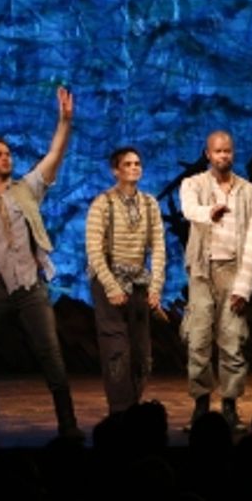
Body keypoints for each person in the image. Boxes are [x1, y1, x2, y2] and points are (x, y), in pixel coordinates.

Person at [0, 84, 80, 440]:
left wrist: (65, 121)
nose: (6, 158)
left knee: (50, 354)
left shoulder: (28, 188)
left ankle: (68, 423)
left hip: (30, 285)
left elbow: (54, 153)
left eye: (8, 154)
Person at [181, 130, 252, 431]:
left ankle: (229, 404)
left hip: (233, 271)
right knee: (198, 339)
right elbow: (189, 209)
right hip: (202, 272)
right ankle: (201, 404)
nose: (223, 156)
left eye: (227, 151)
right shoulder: (193, 184)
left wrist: (244, 286)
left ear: (233, 152)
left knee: (232, 340)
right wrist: (210, 212)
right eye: (217, 151)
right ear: (208, 154)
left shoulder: (249, 192)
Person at [85, 146, 167, 416]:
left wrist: (155, 287)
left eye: (137, 163)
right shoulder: (103, 203)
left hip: (138, 282)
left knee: (141, 352)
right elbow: (94, 250)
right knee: (117, 349)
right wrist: (111, 286)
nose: (134, 168)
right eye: (128, 164)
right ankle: (120, 411)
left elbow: (158, 247)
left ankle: (133, 406)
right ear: (115, 170)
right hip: (109, 280)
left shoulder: (149, 204)